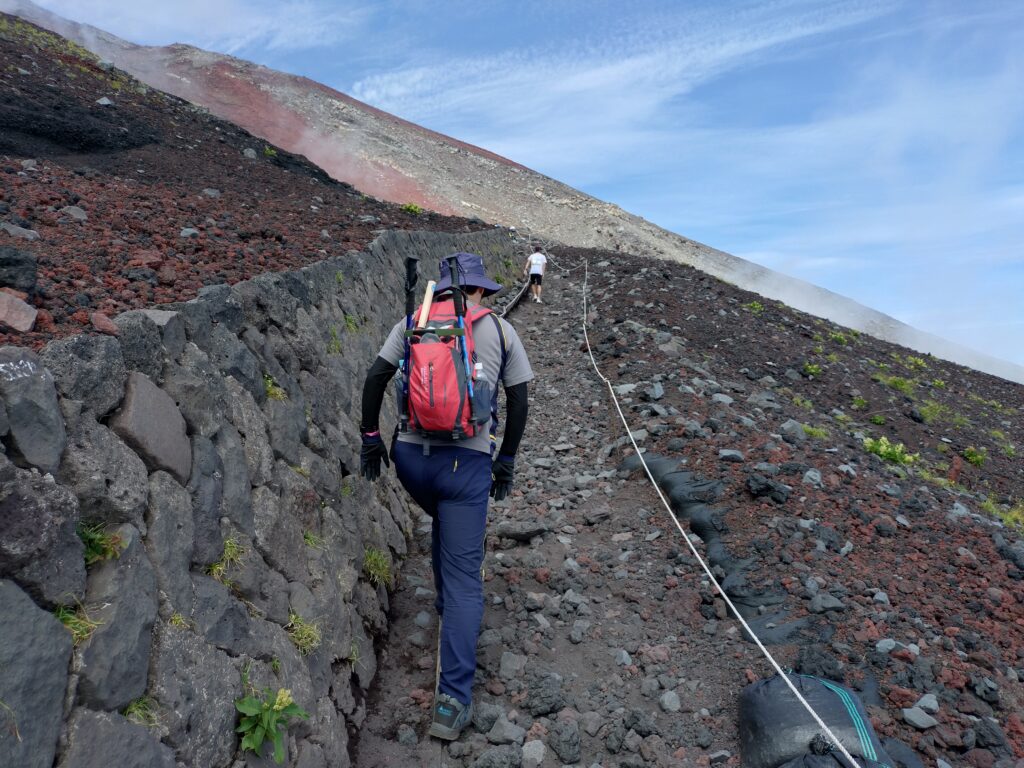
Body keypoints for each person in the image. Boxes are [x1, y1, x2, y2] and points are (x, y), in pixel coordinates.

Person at [359, 252, 533, 740]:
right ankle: (452, 701)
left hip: (412, 462)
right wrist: (507, 460)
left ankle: (442, 605)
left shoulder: (411, 322)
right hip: (466, 464)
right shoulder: (499, 331)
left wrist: (371, 438)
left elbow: (376, 378)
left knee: (444, 522)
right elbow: (518, 401)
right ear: (476, 291)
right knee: (465, 578)